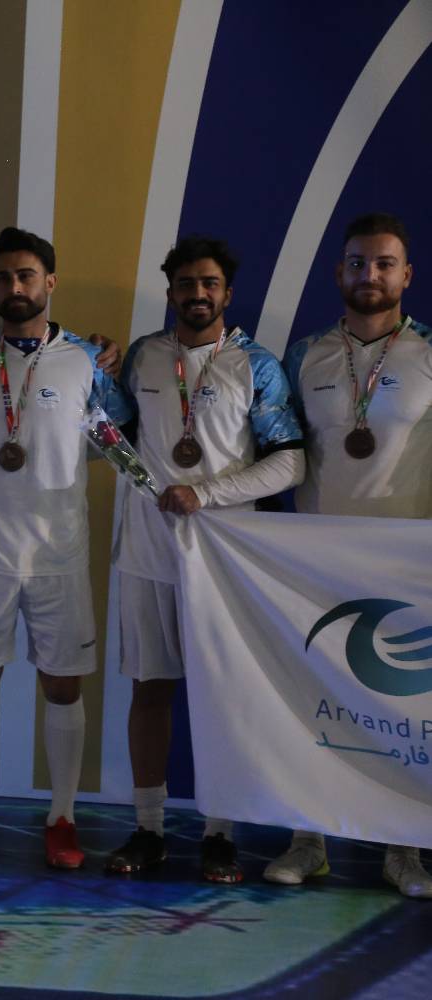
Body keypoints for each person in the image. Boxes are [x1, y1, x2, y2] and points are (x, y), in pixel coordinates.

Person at [103, 236, 304, 884]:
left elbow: (290, 462)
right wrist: (95, 373)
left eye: (209, 283)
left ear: (227, 293)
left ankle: (220, 833)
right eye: (186, 284)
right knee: (149, 691)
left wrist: (206, 494)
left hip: (222, 559)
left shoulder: (256, 365)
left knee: (224, 698)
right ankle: (149, 829)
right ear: (170, 293)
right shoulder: (144, 355)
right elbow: (112, 433)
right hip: (146, 552)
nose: (197, 294)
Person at [0, 227, 132, 869]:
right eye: (2, 277)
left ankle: (62, 818)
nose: (14, 287)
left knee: (64, 687)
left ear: (50, 282)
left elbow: (118, 439)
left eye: (26, 276)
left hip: (58, 555)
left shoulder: (88, 361)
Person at [275, 211, 431, 898]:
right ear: (339, 271)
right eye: (358, 263)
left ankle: (404, 850)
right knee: (313, 702)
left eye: (384, 263)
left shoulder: (428, 352)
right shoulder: (302, 355)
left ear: (407, 275)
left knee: (402, 709)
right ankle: (307, 841)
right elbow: (274, 448)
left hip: (405, 565)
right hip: (315, 564)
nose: (371, 274)